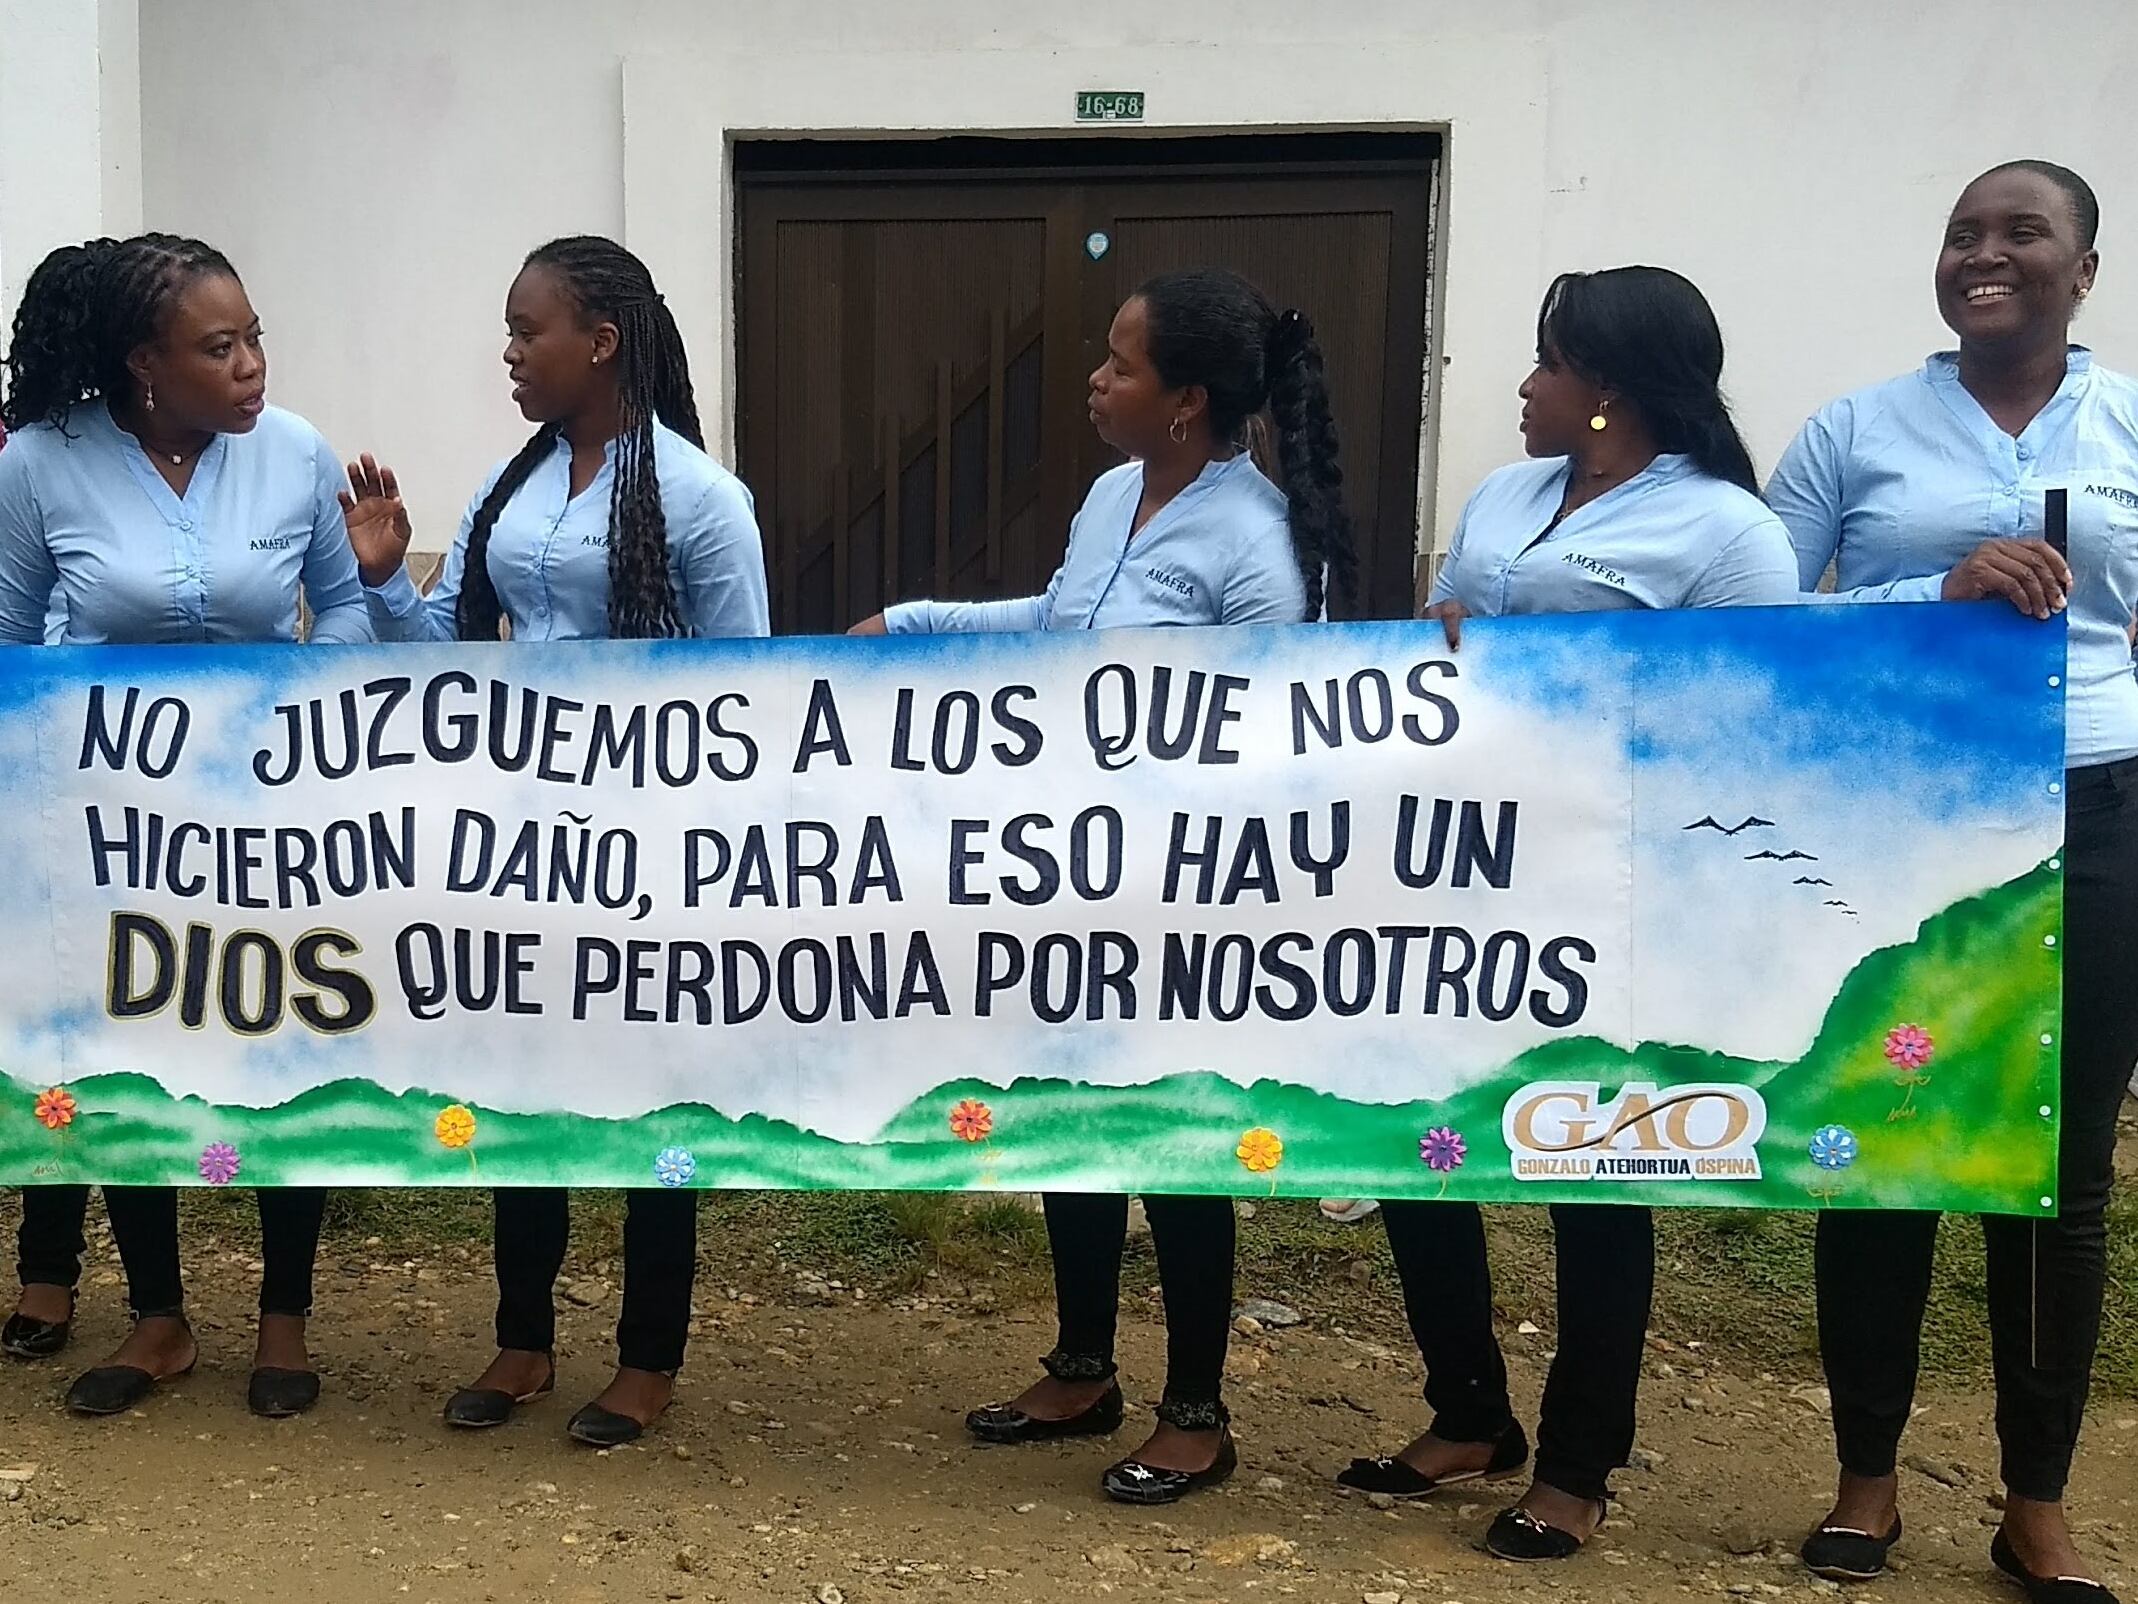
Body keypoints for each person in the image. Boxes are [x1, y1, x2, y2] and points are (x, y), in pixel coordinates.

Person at [849, 267, 1356, 1504]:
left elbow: (1282, 711)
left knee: (1176, 1134)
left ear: (1184, 400)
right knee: (1068, 1112)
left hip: (1182, 893)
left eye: (1119, 364)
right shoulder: (1106, 496)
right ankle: (1082, 1366)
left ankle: (1196, 1408)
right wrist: (907, 625)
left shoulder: (1254, 534)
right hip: (1068, 870)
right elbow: (1055, 624)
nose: (1094, 378)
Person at [1338, 265, 1798, 1561]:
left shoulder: (1722, 535)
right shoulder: (1503, 497)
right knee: (1415, 1138)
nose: (1524, 387)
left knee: (1593, 1159)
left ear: (1607, 388)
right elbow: (1439, 646)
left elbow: (1742, 718)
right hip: (1456, 868)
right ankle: (1467, 1413)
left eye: (1546, 364)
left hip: (1610, 884)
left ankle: (1577, 1464)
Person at [1768, 159, 2133, 1604]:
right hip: (1899, 822)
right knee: (1883, 1145)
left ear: (2082, 269)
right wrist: (1933, 593)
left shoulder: (2128, 427)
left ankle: (2032, 1504)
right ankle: (1866, 1480)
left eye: (2020, 233)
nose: (1984, 254)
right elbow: (1758, 621)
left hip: (2097, 803)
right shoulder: (1854, 431)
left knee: (2057, 1172)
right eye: (1961, 234)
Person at [341, 235, 768, 1447]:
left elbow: (750, 695)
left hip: (651, 859)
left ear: (603, 340)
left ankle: (647, 1357)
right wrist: (380, 579)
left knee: (651, 1109)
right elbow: (443, 657)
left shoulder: (698, 497)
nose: (513, 354)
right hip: (516, 851)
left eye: (530, 332)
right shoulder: (511, 487)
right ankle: (522, 1336)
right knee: (520, 1090)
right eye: (511, 332)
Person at [0, 232, 373, 1415]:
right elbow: (9, 641)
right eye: (222, 347)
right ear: (144, 363)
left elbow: (348, 616)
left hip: (275, 824)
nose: (255, 365)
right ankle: (157, 1318)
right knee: (132, 1062)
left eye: (256, 335)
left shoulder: (297, 453)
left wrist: (336, 704)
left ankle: (284, 1323)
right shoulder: (40, 465)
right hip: (110, 830)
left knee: (286, 1052)